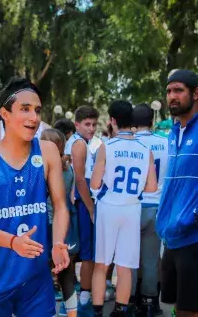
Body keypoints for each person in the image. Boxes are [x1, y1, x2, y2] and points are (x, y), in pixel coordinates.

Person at [0, 77, 70, 317]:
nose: (34, 117)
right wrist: (13, 242)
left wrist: (57, 243)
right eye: (25, 109)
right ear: (5, 113)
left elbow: (61, 206)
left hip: (35, 280)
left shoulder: (48, 151)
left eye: (37, 110)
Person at [90, 100, 157, 317]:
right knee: (125, 266)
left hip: (109, 207)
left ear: (113, 121)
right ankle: (120, 310)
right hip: (132, 208)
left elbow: (94, 184)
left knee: (101, 263)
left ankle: (98, 310)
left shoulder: (106, 147)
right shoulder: (145, 149)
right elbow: (152, 187)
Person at [156, 69, 198, 317]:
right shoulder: (173, 132)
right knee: (175, 308)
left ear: (195, 94)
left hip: (193, 238)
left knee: (189, 311)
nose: (172, 96)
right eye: (169, 91)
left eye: (179, 90)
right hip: (170, 237)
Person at [132, 103, 168, 315]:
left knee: (131, 257)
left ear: (134, 123)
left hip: (133, 206)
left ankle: (131, 298)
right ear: (152, 121)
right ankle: (150, 301)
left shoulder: (129, 142)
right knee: (151, 258)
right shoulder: (165, 142)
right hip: (156, 204)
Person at [41, 128, 79, 317]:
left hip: (49, 224)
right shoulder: (67, 166)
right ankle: (72, 313)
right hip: (68, 224)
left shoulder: (45, 167)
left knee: (45, 273)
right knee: (67, 274)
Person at [67, 105, 99, 312]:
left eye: (95, 124)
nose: (92, 128)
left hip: (76, 199)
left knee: (74, 251)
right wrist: (91, 209)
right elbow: (79, 179)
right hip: (81, 200)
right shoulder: (79, 144)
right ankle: (85, 298)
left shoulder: (78, 142)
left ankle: (75, 297)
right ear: (77, 124)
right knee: (87, 252)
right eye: (87, 124)